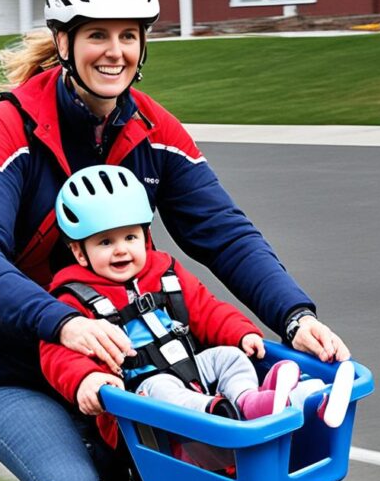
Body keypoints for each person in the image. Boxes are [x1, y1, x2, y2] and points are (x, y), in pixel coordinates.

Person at [0, 0, 351, 481]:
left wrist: (295, 316)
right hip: (10, 364)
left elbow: (224, 232)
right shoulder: (9, 128)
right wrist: (65, 323)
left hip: (131, 359)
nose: (115, 51)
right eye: (97, 34)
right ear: (64, 43)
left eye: (128, 35)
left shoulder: (152, 128)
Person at [41, 165, 349, 449]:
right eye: (105, 242)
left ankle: (262, 401)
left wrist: (241, 333)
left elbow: (207, 308)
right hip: (142, 409)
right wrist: (85, 380)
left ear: (146, 236)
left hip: (193, 374)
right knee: (160, 389)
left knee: (229, 357)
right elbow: (58, 354)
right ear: (79, 253)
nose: (121, 249)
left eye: (130, 236)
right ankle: (219, 415)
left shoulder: (166, 274)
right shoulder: (74, 300)